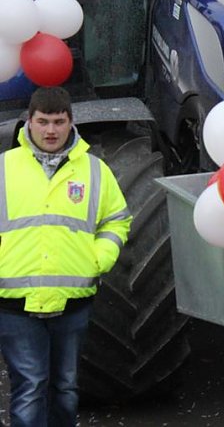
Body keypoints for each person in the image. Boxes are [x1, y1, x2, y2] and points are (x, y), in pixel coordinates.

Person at [0, 87, 132, 427]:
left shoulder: (95, 170)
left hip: (73, 301)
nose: (50, 131)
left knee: (66, 388)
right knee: (30, 387)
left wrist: (98, 259)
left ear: (70, 122)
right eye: (42, 121)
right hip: (16, 302)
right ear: (28, 122)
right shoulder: (4, 168)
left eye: (58, 122)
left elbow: (116, 219)